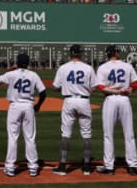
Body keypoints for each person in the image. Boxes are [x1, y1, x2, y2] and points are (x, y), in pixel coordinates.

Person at [0, 53, 46, 177]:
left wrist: (9, 69)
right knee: (30, 137)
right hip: (28, 107)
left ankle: (10, 167)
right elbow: (43, 92)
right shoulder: (34, 75)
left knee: (13, 137)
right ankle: (33, 167)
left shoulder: (11, 74)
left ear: (17, 63)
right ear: (28, 63)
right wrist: (38, 105)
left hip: (14, 107)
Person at [52, 44, 97, 176]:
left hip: (69, 101)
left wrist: (67, 87)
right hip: (84, 101)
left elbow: (55, 87)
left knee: (66, 133)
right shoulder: (88, 68)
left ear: (70, 54)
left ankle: (62, 166)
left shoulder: (63, 68)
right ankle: (87, 166)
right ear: (80, 54)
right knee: (86, 134)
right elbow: (94, 88)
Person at [95, 45, 137, 176]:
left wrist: (116, 90)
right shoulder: (127, 66)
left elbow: (101, 86)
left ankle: (109, 167)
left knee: (108, 134)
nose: (119, 53)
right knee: (129, 134)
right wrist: (128, 90)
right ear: (115, 53)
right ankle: (132, 166)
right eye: (118, 51)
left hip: (110, 100)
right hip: (124, 100)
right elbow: (135, 84)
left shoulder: (103, 67)